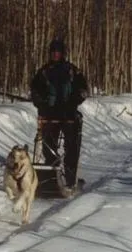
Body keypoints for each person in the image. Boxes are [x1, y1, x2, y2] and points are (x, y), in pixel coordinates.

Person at [30, 38, 88, 192]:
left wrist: (73, 102)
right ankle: (50, 177)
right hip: (49, 115)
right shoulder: (43, 72)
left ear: (63, 53)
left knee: (71, 147)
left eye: (58, 52)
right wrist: (41, 104)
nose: (55, 55)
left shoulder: (72, 70)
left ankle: (70, 179)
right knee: (48, 146)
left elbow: (83, 90)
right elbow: (34, 90)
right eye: (53, 52)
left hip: (68, 115)